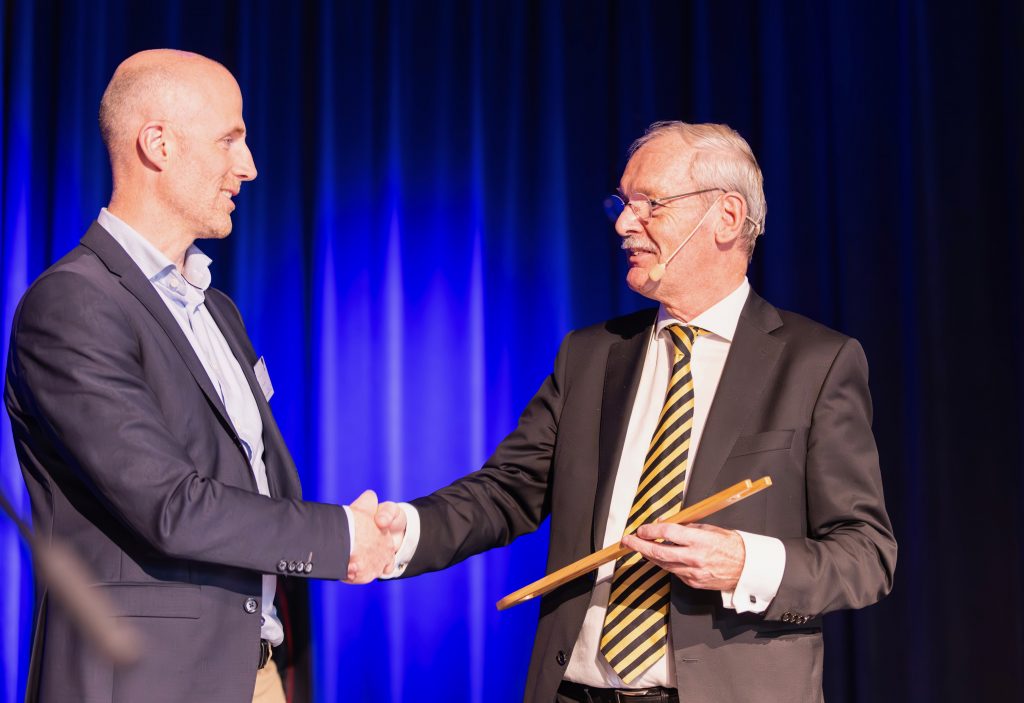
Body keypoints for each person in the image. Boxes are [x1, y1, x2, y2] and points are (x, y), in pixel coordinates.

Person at [375, 122, 897, 702]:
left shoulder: (817, 363)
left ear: (726, 217)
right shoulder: (591, 355)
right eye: (623, 204)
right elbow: (507, 491)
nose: (625, 224)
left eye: (651, 203)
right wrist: (404, 531)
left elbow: (865, 553)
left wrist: (747, 563)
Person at [4, 49, 395, 703]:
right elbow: (167, 504)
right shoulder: (73, 303)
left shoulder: (217, 308)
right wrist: (341, 536)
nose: (248, 165)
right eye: (231, 139)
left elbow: (252, 482)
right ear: (157, 144)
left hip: (258, 674)